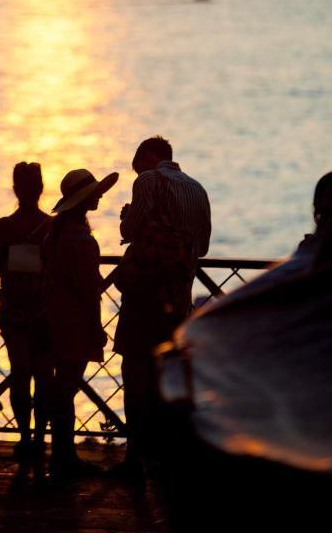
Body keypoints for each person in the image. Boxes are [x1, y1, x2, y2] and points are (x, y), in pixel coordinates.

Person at [113, 135, 211, 478]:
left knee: (134, 370)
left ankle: (134, 457)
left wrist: (128, 218)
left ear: (148, 157)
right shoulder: (197, 189)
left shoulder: (148, 180)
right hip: (179, 294)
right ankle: (166, 455)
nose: (136, 175)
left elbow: (131, 228)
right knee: (167, 374)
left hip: (144, 293)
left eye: (136, 166)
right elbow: (203, 246)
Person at [45, 167, 118, 478]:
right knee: (66, 389)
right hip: (75, 322)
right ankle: (64, 457)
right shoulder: (82, 241)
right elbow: (88, 291)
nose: (100, 196)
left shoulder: (56, 234)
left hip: (55, 317)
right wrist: (96, 327)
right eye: (95, 193)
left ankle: (61, 454)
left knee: (63, 388)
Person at [0, 162, 52, 464]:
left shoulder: (4, 226)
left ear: (15, 189)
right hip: (43, 309)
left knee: (20, 373)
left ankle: (25, 435)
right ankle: (39, 435)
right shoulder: (51, 226)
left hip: (13, 308)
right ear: (41, 189)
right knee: (43, 375)